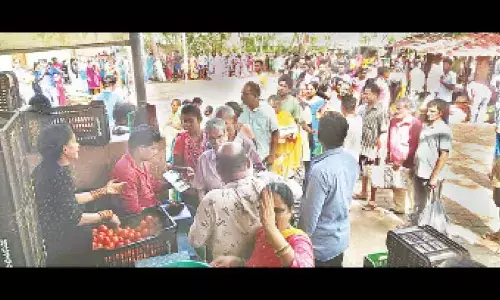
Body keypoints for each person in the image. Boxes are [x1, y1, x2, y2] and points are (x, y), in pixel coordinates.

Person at [33, 124, 125, 266]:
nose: (78, 145)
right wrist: (107, 214)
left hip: (54, 240)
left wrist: (104, 191)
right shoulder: (59, 175)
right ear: (65, 149)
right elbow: (74, 218)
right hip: (65, 246)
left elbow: (67, 200)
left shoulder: (47, 168)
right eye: (74, 141)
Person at [189, 142, 294, 261]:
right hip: (265, 261)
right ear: (248, 163)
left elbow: (195, 241)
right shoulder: (266, 187)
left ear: (218, 169)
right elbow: (297, 191)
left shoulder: (211, 201)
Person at [298, 111, 359, 267]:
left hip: (320, 247)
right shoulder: (351, 161)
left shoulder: (320, 171)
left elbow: (309, 218)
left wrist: (299, 241)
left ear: (319, 136)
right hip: (340, 238)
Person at [210, 182, 314, 268]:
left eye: (278, 211)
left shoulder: (299, 240)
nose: (271, 217)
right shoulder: (261, 233)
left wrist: (272, 230)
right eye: (266, 210)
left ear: (291, 211)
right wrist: (235, 262)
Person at [193, 118, 264, 199]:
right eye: (212, 138)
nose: (216, 142)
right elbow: (200, 189)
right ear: (207, 138)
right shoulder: (204, 159)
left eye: (219, 137)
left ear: (226, 135)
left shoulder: (239, 152)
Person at [109, 125, 170, 216]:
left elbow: (149, 185)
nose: (155, 152)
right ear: (141, 149)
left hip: (153, 206)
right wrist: (162, 210)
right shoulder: (126, 172)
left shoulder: (142, 161)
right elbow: (133, 210)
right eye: (153, 148)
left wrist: (170, 184)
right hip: (142, 217)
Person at [410, 99, 452, 226]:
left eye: (432, 111)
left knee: (431, 205)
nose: (428, 113)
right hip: (420, 170)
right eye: (428, 110)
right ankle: (417, 226)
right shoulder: (426, 126)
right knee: (419, 203)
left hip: (431, 174)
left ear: (440, 113)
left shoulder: (444, 130)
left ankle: (432, 230)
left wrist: (434, 177)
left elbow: (444, 155)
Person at [383, 98, 423, 215]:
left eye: (399, 109)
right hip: (394, 159)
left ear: (408, 109)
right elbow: (390, 139)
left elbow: (414, 144)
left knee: (408, 186)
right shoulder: (393, 121)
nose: (396, 111)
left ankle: (411, 210)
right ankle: (399, 207)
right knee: (396, 184)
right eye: (396, 108)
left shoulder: (415, 124)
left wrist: (401, 161)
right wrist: (388, 154)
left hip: (407, 161)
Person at [354, 83, 389, 210]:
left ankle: (372, 200)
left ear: (375, 95)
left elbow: (384, 131)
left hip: (374, 146)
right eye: (364, 93)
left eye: (367, 93)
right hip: (362, 144)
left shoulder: (381, 110)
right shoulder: (362, 108)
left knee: (373, 172)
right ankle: (363, 192)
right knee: (364, 171)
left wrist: (379, 149)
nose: (364, 96)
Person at [173, 104, 208, 214]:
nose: (186, 124)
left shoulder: (209, 136)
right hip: (190, 190)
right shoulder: (180, 139)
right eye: (184, 121)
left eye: (190, 121)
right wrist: (185, 169)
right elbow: (175, 166)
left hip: (209, 187)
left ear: (200, 120)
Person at [238, 81, 279, 167]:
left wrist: (272, 154)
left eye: (245, 94)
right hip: (246, 158)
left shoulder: (267, 110)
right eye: (242, 93)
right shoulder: (241, 110)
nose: (242, 97)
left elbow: (275, 132)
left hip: (263, 157)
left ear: (255, 95)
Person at [268, 95, 302, 178]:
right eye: (270, 108)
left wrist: (288, 135)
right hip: (271, 155)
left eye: (274, 107)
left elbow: (295, 134)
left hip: (284, 156)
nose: (272, 110)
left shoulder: (286, 117)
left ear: (279, 106)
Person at [341, 95, 363, 162]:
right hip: (356, 156)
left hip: (343, 157)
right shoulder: (359, 119)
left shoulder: (343, 122)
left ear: (342, 107)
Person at [436, 57, 456, 124]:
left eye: (446, 64)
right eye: (444, 64)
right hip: (439, 98)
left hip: (446, 100)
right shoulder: (442, 74)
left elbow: (452, 87)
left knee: (445, 118)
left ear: (450, 65)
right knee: (438, 117)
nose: (444, 66)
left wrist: (443, 82)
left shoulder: (452, 75)